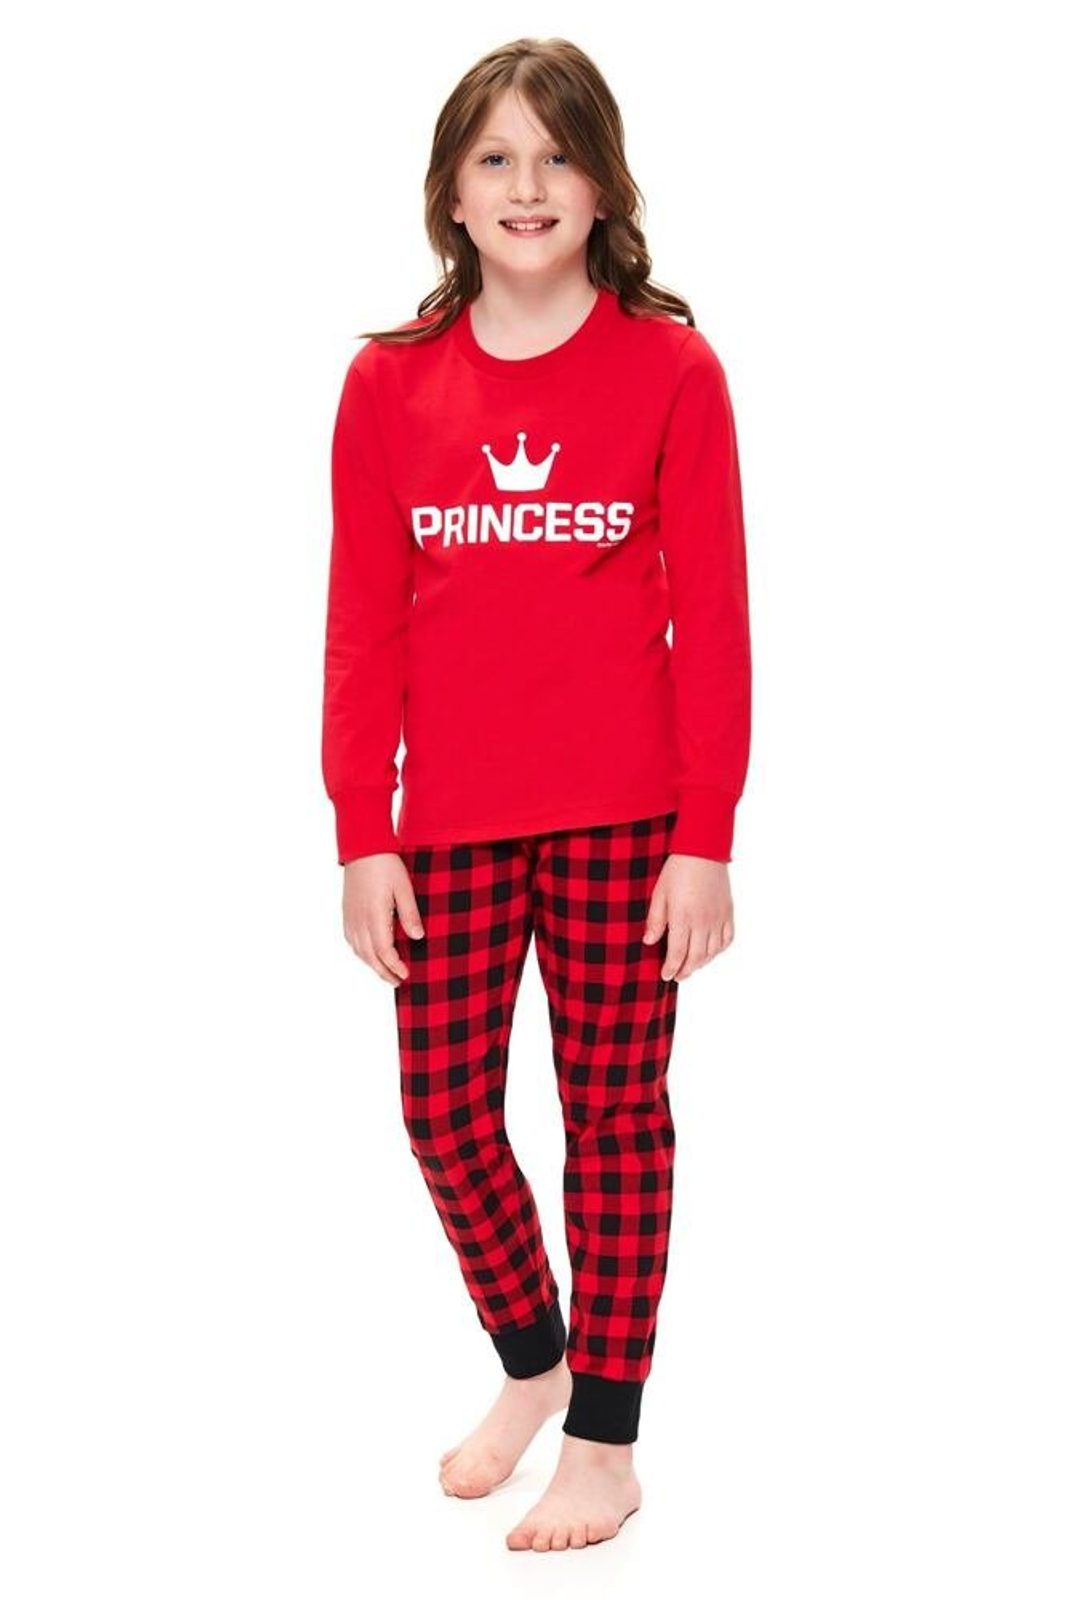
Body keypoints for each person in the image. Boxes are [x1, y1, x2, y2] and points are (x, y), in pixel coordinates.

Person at [320, 36, 752, 1553]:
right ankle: (535, 1358)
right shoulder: (388, 383)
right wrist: (360, 829)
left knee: (612, 1120)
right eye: (494, 157)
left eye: (557, 155)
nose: (527, 185)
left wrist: (706, 837)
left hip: (628, 821)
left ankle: (605, 1443)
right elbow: (363, 626)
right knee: (444, 1114)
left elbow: (716, 621)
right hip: (446, 821)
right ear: (450, 192)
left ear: (603, 185)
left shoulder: (672, 371)